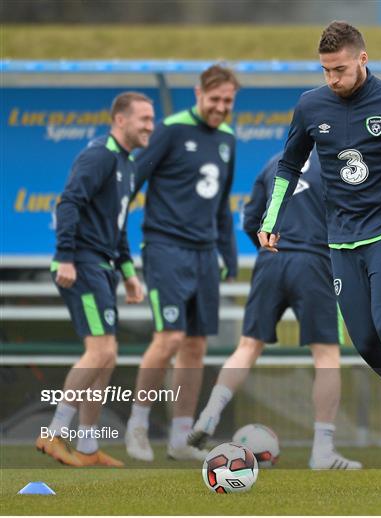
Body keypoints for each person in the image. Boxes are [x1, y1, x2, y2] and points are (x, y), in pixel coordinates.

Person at [257, 21, 381, 489]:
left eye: (341, 69)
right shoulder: (311, 105)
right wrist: (271, 220)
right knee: (367, 343)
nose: (333, 79)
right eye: (326, 70)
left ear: (363, 59)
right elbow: (289, 164)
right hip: (342, 238)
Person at [188, 151, 362, 469]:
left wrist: (272, 250)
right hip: (315, 261)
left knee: (247, 347)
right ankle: (322, 451)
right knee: (326, 356)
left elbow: (250, 219)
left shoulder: (273, 163)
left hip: (270, 259)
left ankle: (209, 414)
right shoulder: (340, 159)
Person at [125, 65, 239, 462]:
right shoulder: (170, 130)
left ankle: (180, 437)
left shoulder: (227, 139)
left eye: (227, 101)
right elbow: (132, 181)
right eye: (214, 100)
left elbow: (221, 202)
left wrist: (229, 253)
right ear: (198, 93)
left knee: (194, 346)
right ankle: (137, 425)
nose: (220, 108)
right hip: (165, 247)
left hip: (205, 253)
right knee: (169, 338)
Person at [35, 92, 154, 467]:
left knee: (107, 356)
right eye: (144, 119)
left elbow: (115, 226)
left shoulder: (128, 164)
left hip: (102, 267)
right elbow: (69, 202)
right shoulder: (100, 154)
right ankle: (54, 433)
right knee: (100, 351)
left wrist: (129, 273)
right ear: (120, 120)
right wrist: (66, 256)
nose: (151, 126)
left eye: (153, 120)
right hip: (82, 264)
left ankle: (87, 447)